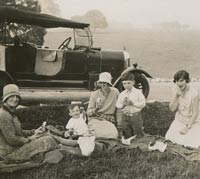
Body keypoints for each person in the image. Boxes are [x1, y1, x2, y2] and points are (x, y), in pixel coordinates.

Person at [0, 84, 58, 163]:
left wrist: (34, 131)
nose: (15, 99)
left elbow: (18, 132)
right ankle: (68, 143)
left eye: (17, 97)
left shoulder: (9, 113)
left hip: (16, 148)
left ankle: (65, 142)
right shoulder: (4, 115)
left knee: (44, 135)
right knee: (48, 140)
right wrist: (30, 139)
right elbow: (12, 140)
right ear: (5, 98)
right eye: (12, 96)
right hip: (11, 153)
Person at [165, 70, 200, 148]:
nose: (178, 84)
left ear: (187, 80)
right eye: (176, 81)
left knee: (191, 144)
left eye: (181, 81)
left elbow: (195, 113)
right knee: (170, 139)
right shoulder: (174, 89)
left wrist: (187, 127)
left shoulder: (194, 94)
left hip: (192, 121)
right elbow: (172, 109)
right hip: (179, 120)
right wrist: (176, 97)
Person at [87, 72, 119, 139]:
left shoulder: (115, 92)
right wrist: (96, 108)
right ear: (99, 84)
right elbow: (88, 113)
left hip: (108, 120)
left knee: (113, 134)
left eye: (106, 83)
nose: (104, 85)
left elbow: (119, 109)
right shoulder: (94, 94)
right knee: (98, 133)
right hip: (95, 119)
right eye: (102, 82)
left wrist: (119, 125)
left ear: (109, 84)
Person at [116, 72, 146, 139]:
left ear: (133, 82)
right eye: (124, 83)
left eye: (129, 83)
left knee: (137, 132)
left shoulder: (138, 93)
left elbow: (143, 103)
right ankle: (129, 142)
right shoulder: (122, 94)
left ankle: (138, 143)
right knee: (126, 132)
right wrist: (123, 104)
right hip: (125, 116)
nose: (126, 85)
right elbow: (118, 105)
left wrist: (133, 104)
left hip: (135, 116)